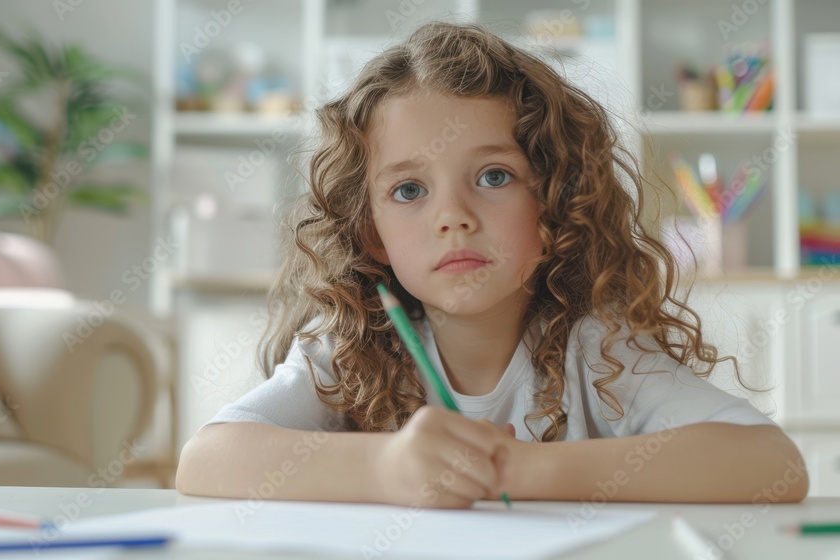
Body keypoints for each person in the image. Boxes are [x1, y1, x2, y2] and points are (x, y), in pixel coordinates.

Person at [175, 21, 807, 508]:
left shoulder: (601, 352)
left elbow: (773, 464)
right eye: (409, 191)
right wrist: (387, 468)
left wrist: (518, 470)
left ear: (558, 205)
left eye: (494, 176)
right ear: (372, 236)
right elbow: (206, 460)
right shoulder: (345, 354)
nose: (453, 216)